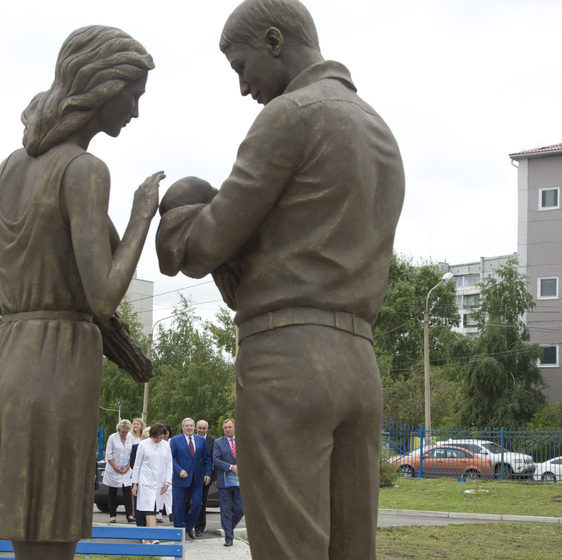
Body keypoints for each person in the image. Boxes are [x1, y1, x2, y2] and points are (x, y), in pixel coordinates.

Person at [155, 1, 404, 558]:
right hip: (360, 361)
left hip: (287, 356)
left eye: (243, 67)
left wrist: (181, 208)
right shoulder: (380, 131)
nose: (244, 88)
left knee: (289, 548)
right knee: (351, 548)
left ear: (274, 40)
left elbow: (203, 246)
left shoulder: (291, 115)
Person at [0, 25, 163, 560]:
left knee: (32, 535)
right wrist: (142, 218)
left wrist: (33, 310)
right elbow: (103, 298)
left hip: (10, 360)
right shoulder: (86, 170)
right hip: (58, 368)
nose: (136, 111)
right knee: (51, 530)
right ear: (104, 85)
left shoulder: (11, 168)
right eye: (134, 94)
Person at [168, 418, 211, 539]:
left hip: (197, 478)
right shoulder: (175, 440)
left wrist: (207, 473)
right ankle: (177, 532)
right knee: (179, 506)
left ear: (194, 427)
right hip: (180, 478)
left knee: (197, 504)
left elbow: (207, 458)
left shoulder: (200, 440)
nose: (189, 428)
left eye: (191, 426)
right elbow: (171, 459)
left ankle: (187, 527)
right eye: (187, 426)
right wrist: (179, 470)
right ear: (182, 427)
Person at [130, 423, 172, 543]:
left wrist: (167, 482)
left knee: (154, 509)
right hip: (145, 482)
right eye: (156, 437)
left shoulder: (166, 446)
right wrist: (135, 484)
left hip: (160, 482)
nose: (158, 440)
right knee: (150, 509)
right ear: (151, 435)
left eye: (161, 437)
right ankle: (152, 537)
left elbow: (169, 464)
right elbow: (137, 465)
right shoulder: (143, 445)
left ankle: (147, 537)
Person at [213, 419, 243, 547]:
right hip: (225, 481)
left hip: (239, 482)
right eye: (225, 428)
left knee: (240, 509)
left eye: (230, 427)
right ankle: (228, 538)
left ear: (235, 427)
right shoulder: (218, 442)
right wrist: (231, 467)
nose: (227, 429)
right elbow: (216, 460)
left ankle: (229, 528)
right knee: (225, 510)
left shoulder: (242, 441)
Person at [103, 419, 136, 523]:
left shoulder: (131, 438)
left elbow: (133, 453)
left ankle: (129, 515)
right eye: (122, 432)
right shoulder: (112, 437)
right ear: (119, 430)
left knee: (127, 492)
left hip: (126, 469)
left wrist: (127, 467)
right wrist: (116, 468)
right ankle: (112, 515)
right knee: (112, 492)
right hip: (113, 469)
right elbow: (109, 454)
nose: (124, 434)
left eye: (126, 432)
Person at [194, 419, 214, 536]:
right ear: (196, 428)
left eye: (204, 428)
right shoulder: (191, 439)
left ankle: (200, 527)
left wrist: (211, 476)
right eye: (199, 428)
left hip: (205, 478)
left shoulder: (212, 441)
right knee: (190, 502)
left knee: (202, 502)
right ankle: (189, 525)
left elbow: (212, 461)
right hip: (190, 477)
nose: (201, 430)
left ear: (207, 429)